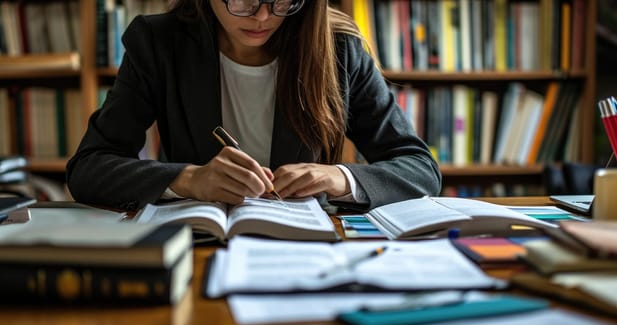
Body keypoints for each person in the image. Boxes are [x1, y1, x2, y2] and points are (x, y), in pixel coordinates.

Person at [66, 0, 441, 212]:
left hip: (310, 252)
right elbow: (88, 168)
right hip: (199, 246)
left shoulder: (338, 48)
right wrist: (189, 179)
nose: (262, 16)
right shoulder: (158, 43)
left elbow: (420, 169)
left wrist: (339, 178)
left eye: (281, 1)